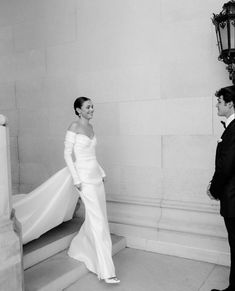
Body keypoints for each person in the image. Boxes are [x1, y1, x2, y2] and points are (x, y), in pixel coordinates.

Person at [64, 96, 120, 284]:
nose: (92, 110)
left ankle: (79, 247)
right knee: (98, 221)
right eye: (88, 107)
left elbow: (91, 155)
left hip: (96, 178)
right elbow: (67, 154)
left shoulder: (91, 128)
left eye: (93, 107)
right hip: (84, 180)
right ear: (78, 110)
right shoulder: (74, 127)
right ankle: (106, 271)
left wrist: (102, 171)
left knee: (99, 218)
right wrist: (76, 179)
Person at [207, 86, 235, 291]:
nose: (217, 105)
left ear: (230, 104)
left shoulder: (234, 130)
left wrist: (213, 189)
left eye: (220, 101)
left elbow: (226, 166)